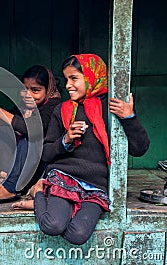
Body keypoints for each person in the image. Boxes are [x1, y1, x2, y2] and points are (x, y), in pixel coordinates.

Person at [12, 54, 149, 245]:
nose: (68, 85)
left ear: (92, 77)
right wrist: (65, 139)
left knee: (77, 235)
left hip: (95, 186)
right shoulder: (62, 110)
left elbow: (139, 148)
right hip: (64, 178)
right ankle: (40, 194)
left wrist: (129, 117)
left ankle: (51, 203)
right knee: (53, 225)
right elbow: (46, 153)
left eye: (74, 78)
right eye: (66, 79)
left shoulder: (110, 109)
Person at [0, 65, 62, 199]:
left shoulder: (54, 106)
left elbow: (32, 129)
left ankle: (11, 187)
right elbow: (8, 124)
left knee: (30, 138)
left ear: (48, 90)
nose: (28, 95)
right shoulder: (25, 107)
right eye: (24, 89)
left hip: (45, 165)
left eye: (35, 90)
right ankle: (6, 174)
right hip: (25, 167)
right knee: (3, 130)